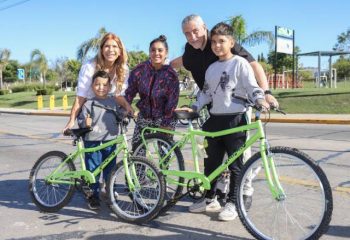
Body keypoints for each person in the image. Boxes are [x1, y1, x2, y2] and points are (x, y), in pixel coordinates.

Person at [185, 22, 269, 221]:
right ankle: (210, 198)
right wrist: (195, 107)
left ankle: (232, 201)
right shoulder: (211, 68)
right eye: (213, 42)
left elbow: (251, 86)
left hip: (236, 119)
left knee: (236, 165)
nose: (217, 45)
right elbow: (205, 93)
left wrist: (260, 98)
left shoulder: (240, 63)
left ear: (231, 42)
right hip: (215, 120)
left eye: (222, 41)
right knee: (212, 163)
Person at [170, 14, 278, 108]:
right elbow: (180, 61)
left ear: (204, 27)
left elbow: (253, 64)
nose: (192, 37)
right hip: (212, 104)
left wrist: (266, 93)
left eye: (195, 31)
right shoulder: (189, 49)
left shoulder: (220, 40)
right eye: (187, 33)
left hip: (236, 105)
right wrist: (163, 65)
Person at [77, 70, 125, 210]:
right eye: (97, 84)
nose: (101, 87)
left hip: (110, 141)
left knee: (111, 170)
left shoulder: (113, 101)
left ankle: (110, 192)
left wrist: (125, 114)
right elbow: (81, 119)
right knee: (94, 170)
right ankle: (93, 196)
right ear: (92, 86)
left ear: (109, 87)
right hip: (92, 141)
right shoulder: (88, 104)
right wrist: (85, 122)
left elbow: (119, 114)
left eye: (104, 85)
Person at [63, 32, 130, 132]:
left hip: (109, 112)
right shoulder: (89, 67)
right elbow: (81, 96)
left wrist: (128, 107)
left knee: (111, 144)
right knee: (92, 143)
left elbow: (118, 95)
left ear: (120, 51)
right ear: (102, 50)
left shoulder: (123, 69)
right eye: (107, 46)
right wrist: (71, 120)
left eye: (114, 46)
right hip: (91, 110)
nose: (111, 50)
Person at [121, 35, 179, 149]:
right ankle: (140, 167)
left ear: (166, 53)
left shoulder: (171, 74)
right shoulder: (140, 70)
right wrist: (125, 107)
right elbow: (130, 91)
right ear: (149, 52)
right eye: (153, 50)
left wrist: (167, 122)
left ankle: (163, 168)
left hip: (164, 117)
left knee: (164, 151)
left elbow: (173, 100)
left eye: (160, 50)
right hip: (144, 116)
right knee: (137, 149)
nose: (156, 53)